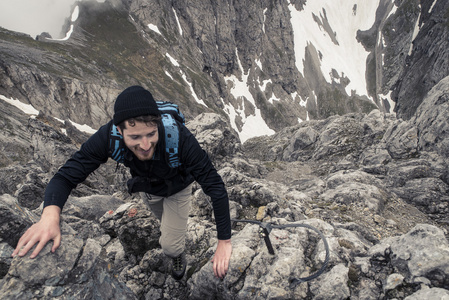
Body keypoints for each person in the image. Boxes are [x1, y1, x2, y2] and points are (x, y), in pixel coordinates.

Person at [12, 86, 232, 280]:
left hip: (178, 188)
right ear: (120, 130)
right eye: (135, 137)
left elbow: (214, 185)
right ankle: (173, 231)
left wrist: (224, 242)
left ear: (157, 125)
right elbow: (66, 176)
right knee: (165, 224)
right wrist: (49, 216)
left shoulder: (179, 137)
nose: (145, 145)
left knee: (170, 245)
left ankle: (176, 253)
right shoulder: (108, 137)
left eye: (151, 134)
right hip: (148, 190)